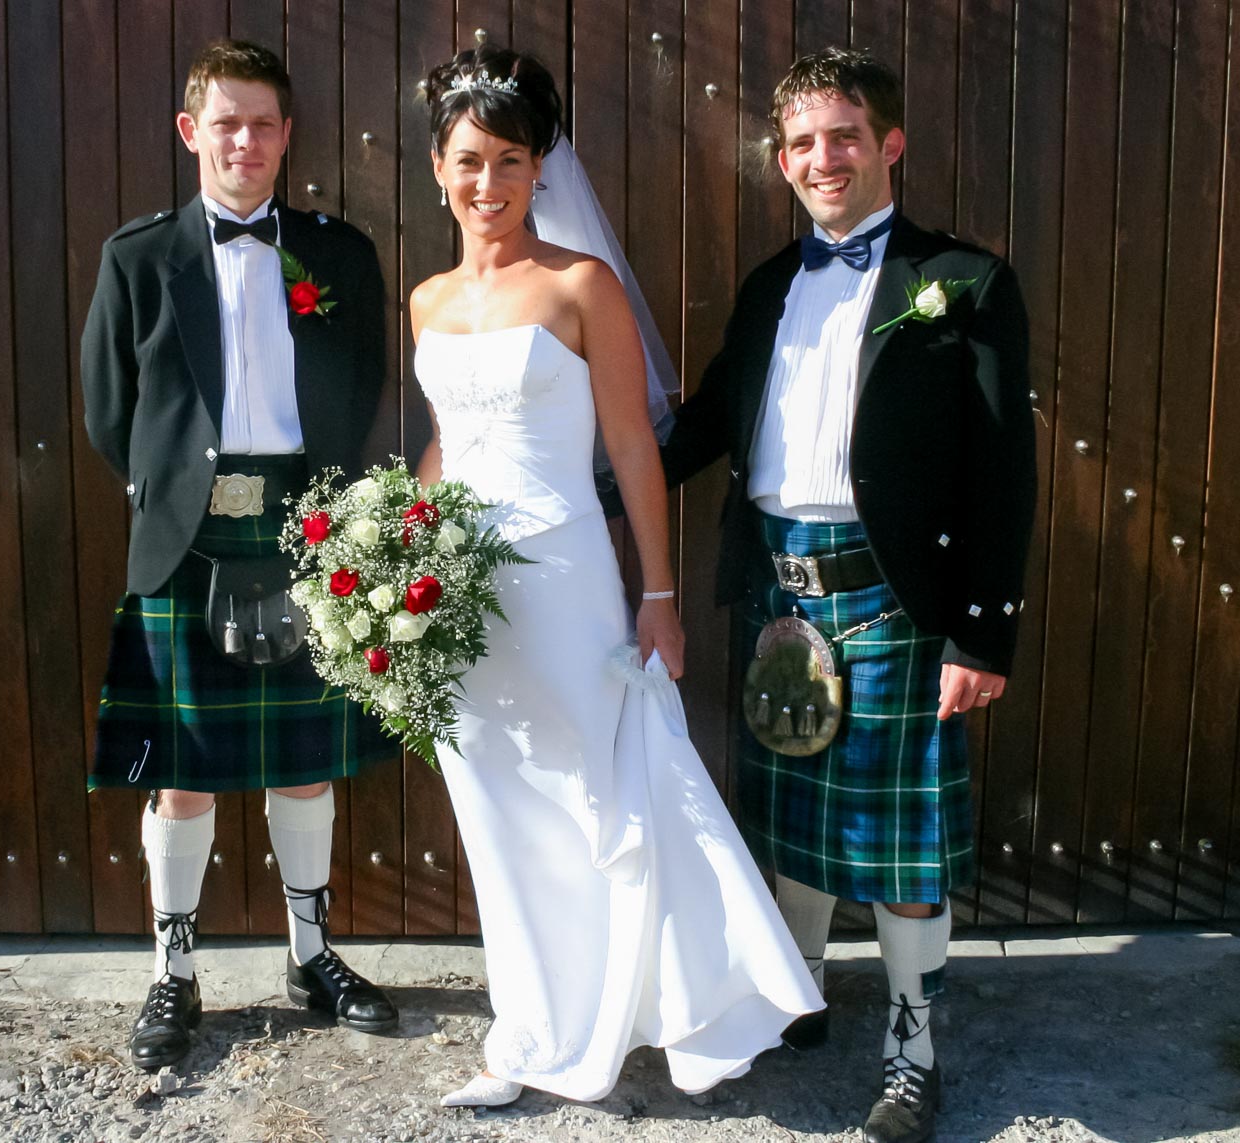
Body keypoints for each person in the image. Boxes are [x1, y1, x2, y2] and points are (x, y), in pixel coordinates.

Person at [408, 45, 824, 1109]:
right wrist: (391, 552)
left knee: (601, 795)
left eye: (509, 160)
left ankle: (662, 1006)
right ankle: (531, 1033)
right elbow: (445, 445)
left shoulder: (579, 285)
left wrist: (657, 597)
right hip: (455, 597)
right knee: (497, 806)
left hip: (561, 578)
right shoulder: (426, 299)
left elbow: (634, 449)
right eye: (469, 161)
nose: (487, 185)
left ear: (540, 167)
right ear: (437, 164)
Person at [660, 48, 1036, 1143]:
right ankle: (801, 996)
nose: (823, 159)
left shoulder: (963, 283)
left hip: (899, 603)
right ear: (782, 161)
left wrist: (982, 630)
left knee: (902, 850)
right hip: (778, 591)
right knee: (791, 827)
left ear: (889, 144)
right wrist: (583, 491)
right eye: (803, 144)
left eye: (844, 136)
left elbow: (1004, 473)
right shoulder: (770, 283)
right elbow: (710, 420)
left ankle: (914, 1046)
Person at [81, 39, 397, 1072]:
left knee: (306, 770)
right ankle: (173, 972)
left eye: (263, 122)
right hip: (189, 538)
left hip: (305, 531)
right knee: (183, 776)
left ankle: (312, 957)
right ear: (191, 133)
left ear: (287, 133)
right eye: (226, 122)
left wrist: (327, 506)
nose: (246, 142)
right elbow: (107, 409)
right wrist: (179, 491)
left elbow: (362, 386)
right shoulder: (138, 256)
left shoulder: (338, 254)